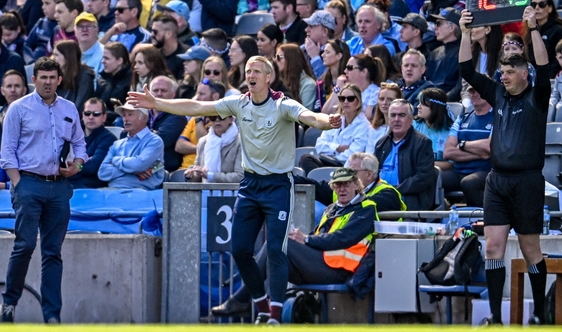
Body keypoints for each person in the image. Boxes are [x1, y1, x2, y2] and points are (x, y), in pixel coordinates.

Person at [128, 55, 342, 324]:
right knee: (240, 248)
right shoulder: (239, 103)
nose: (251, 74)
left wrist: (326, 121)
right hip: (250, 185)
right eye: (248, 70)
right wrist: (158, 103)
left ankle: (275, 315)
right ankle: (259, 304)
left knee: (276, 250)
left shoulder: (282, 104)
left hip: (277, 185)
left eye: (257, 71)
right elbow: (196, 106)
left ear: (268, 77)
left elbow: (309, 116)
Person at [458, 5, 551, 325]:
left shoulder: (538, 96)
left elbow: (544, 65)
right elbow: (467, 72)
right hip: (497, 181)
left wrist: (533, 28)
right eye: (502, 72)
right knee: (493, 247)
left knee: (530, 249)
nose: (503, 76)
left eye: (510, 72)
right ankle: (496, 317)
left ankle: (540, 313)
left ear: (524, 74)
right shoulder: (498, 93)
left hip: (527, 181)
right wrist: (465, 33)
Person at [212, 166, 378, 318]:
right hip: (322, 265)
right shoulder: (333, 209)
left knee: (281, 245)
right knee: (276, 248)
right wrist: (300, 237)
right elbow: (319, 237)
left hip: (342, 272)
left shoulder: (366, 208)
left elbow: (341, 239)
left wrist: (305, 238)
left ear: (357, 185)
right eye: (337, 185)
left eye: (346, 184)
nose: (341, 189)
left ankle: (244, 298)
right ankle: (268, 312)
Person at [0, 56, 86, 324]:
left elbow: (80, 144)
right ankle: (9, 304)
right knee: (24, 245)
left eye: (52, 77)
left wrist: (77, 166)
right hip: (29, 182)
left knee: (52, 252)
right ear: (33, 80)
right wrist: (18, 183)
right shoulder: (18, 108)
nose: (48, 82)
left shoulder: (69, 108)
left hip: (59, 185)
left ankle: (51, 315)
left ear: (59, 80)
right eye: (42, 77)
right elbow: (7, 152)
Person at [441, 85, 493, 207]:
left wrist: (463, 145)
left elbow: (489, 148)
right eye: (471, 91)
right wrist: (480, 153)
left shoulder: (497, 117)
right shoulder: (462, 118)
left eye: (477, 91)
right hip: (458, 171)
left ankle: (482, 221)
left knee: (469, 183)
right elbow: (448, 152)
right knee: (432, 177)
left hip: (485, 171)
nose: (474, 94)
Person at [301, 83, 368, 174]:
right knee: (306, 159)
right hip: (329, 162)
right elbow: (319, 145)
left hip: (347, 167)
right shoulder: (334, 119)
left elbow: (353, 155)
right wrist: (337, 148)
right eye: (342, 98)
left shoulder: (364, 125)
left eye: (350, 99)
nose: (345, 102)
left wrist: (331, 154)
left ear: (358, 101)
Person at [97, 103, 165, 188]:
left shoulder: (154, 141)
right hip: (112, 192)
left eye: (130, 115)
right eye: (124, 115)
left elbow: (138, 165)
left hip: (141, 192)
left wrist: (115, 160)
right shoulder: (117, 144)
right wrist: (132, 170)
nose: (125, 119)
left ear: (144, 118)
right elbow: (102, 173)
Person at [68, 98, 117, 189]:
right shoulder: (72, 135)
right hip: (67, 183)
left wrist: (74, 165)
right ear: (83, 115)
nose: (91, 117)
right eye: (87, 113)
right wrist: (82, 163)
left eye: (96, 114)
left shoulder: (109, 139)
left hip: (90, 188)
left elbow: (93, 167)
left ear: (104, 117)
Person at [185, 112, 243, 183]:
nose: (217, 120)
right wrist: (191, 175)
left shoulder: (241, 142)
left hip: (231, 193)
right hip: (205, 192)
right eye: (213, 117)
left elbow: (240, 176)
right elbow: (198, 177)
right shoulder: (203, 142)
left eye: (222, 117)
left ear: (231, 119)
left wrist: (211, 176)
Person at [426, 8, 462, 98]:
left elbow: (460, 86)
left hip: (451, 103)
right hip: (431, 101)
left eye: (439, 24)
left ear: (451, 28)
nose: (435, 27)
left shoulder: (465, 52)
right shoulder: (434, 53)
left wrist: (443, 101)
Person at [52, 40, 95, 113]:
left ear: (67, 57)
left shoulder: (85, 77)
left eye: (56, 55)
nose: (53, 58)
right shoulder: (57, 75)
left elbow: (80, 107)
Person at [95, 42, 132, 124]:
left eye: (106, 58)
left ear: (119, 61)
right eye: (103, 58)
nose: (103, 62)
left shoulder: (131, 80)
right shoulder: (102, 79)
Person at [276, 43, 318, 110]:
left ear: (291, 59)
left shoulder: (308, 84)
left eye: (279, 57)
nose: (275, 60)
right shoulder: (278, 81)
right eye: (275, 57)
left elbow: (306, 112)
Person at [150, 14, 188, 81]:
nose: (152, 34)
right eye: (152, 31)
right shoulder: (154, 55)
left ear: (168, 34)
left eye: (155, 32)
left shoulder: (186, 56)